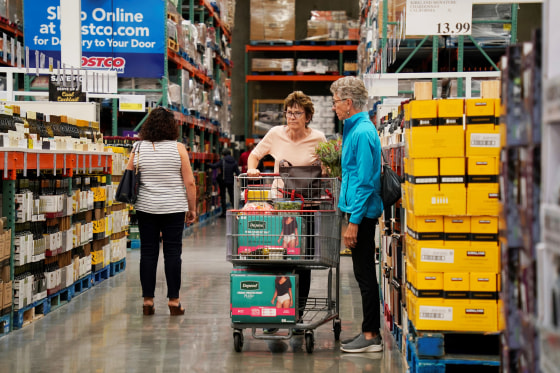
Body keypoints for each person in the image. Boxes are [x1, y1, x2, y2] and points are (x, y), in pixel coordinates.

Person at [247, 91, 327, 332]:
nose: (292, 116)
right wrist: (252, 169)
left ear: (308, 116)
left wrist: (323, 174)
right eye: (289, 112)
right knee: (277, 258)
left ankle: (298, 315)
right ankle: (276, 316)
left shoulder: (319, 138)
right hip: (280, 205)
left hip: (307, 206)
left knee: (303, 261)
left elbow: (327, 168)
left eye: (297, 112)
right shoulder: (275, 134)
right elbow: (255, 155)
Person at [125, 106, 197, 316]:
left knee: (148, 253)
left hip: (146, 207)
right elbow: (190, 182)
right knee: (173, 253)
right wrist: (191, 209)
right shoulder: (179, 148)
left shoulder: (138, 148)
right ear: (171, 127)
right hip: (174, 208)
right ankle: (174, 301)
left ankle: (148, 301)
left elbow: (129, 175)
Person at [330, 76, 384, 353]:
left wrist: (354, 221)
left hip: (361, 215)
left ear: (348, 103)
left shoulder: (362, 132)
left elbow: (364, 181)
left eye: (336, 102)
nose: (334, 107)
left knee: (364, 275)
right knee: (361, 272)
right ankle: (368, 330)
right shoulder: (355, 130)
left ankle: (371, 334)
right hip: (356, 212)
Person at [210, 148, 240, 217]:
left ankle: (223, 212)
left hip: (223, 181)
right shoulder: (234, 161)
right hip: (231, 181)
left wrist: (208, 164)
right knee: (231, 195)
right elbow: (238, 172)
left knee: (223, 197)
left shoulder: (223, 161)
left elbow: (215, 166)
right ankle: (236, 210)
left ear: (223, 154)